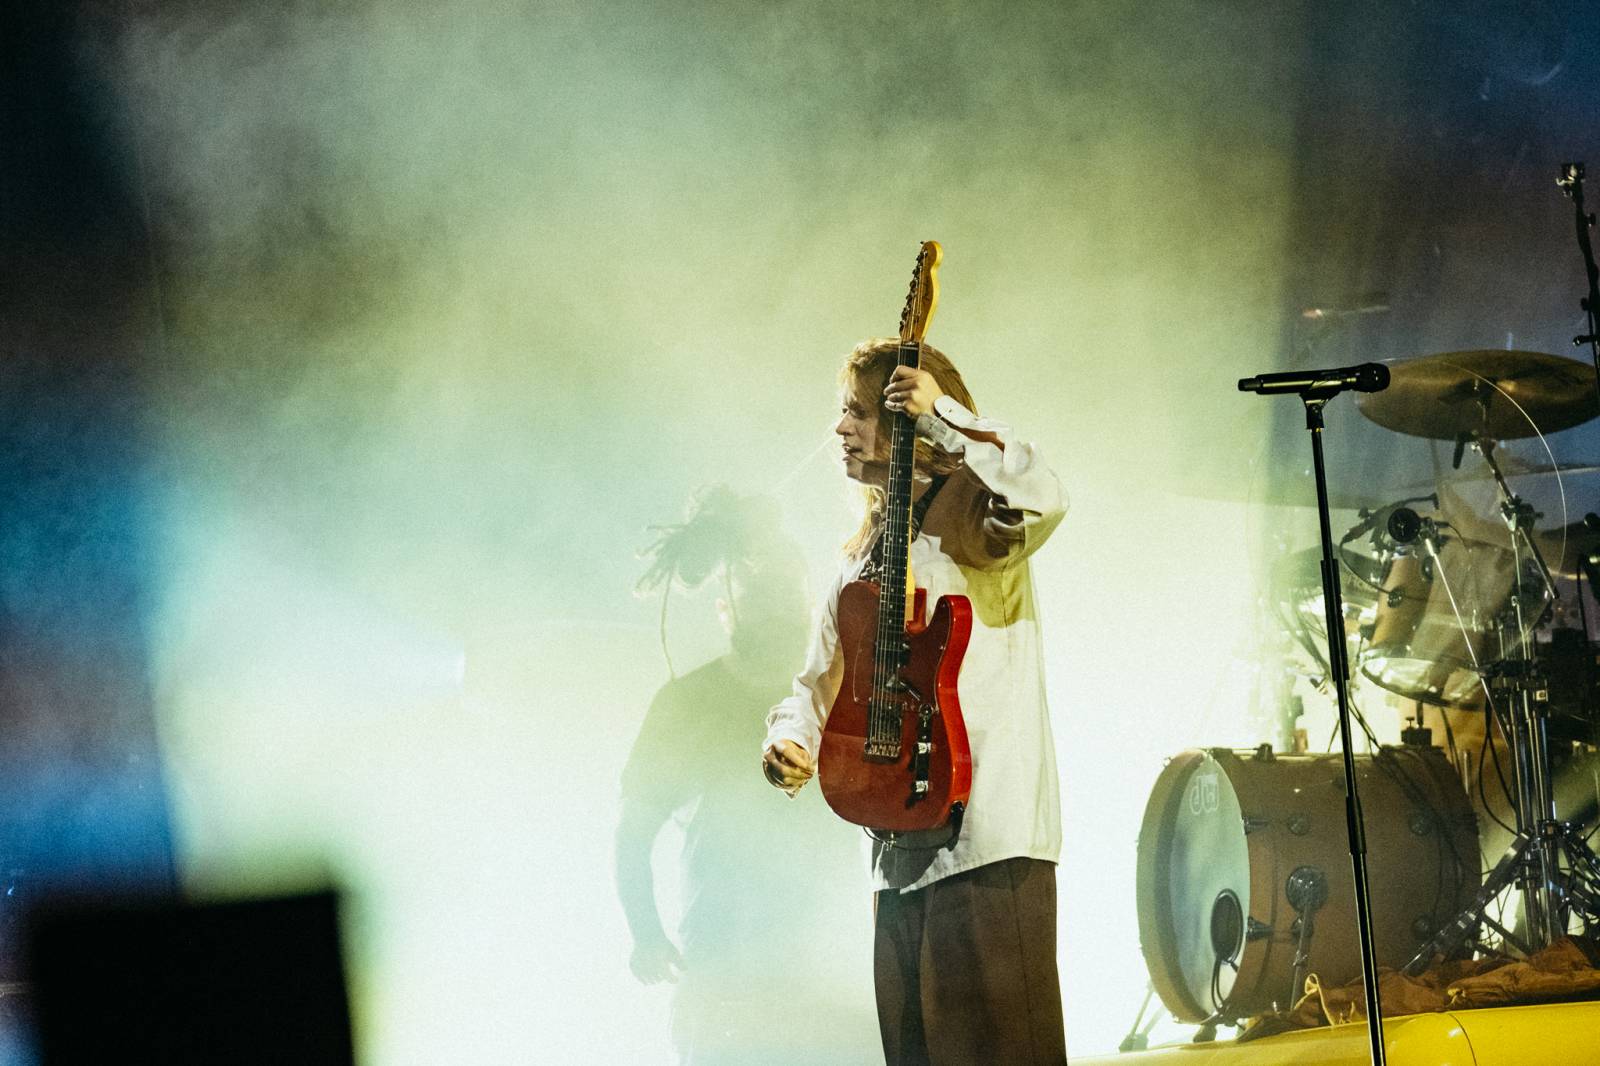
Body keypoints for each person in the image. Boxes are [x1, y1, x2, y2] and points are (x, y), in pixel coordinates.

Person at [762, 338, 1069, 1065]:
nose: (840, 429)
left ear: (905, 424)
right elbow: (819, 680)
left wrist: (945, 417)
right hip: (894, 856)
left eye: (859, 412)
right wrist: (791, 737)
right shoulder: (858, 554)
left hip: (987, 844)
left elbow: (1045, 494)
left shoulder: (974, 509)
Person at [617, 487, 877, 1065]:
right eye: (761, 590)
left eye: (788, 589)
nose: (778, 602)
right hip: (723, 970)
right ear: (726, 607)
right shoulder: (687, 704)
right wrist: (645, 932)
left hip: (833, 971)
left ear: (811, 601)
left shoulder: (848, 695)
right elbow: (634, 830)